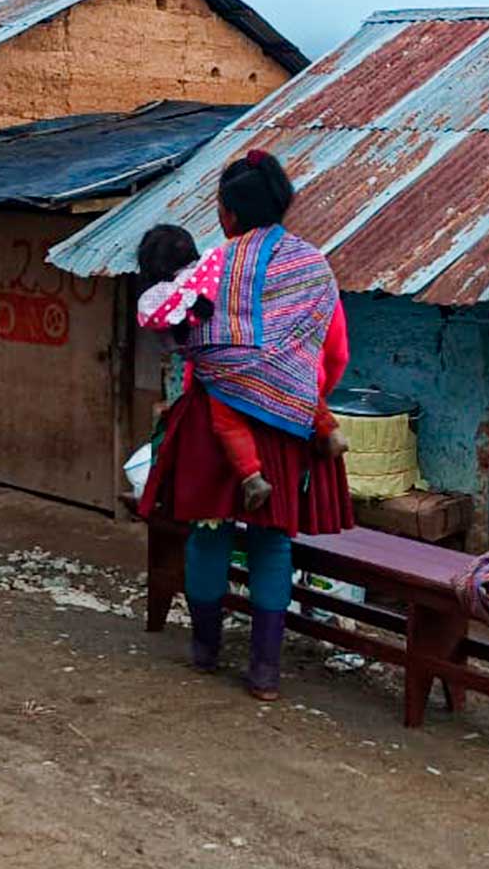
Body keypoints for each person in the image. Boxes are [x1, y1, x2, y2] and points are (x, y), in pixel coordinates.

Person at [135, 151, 354, 701]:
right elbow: (333, 355)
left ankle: (206, 651)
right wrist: (292, 394)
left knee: (209, 535)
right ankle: (264, 673)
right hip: (286, 425)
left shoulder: (211, 266)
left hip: (215, 423)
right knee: (272, 543)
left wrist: (235, 376)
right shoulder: (314, 268)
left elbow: (185, 335)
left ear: (228, 213)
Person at [135, 223, 347, 515]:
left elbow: (172, 344)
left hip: (217, 394)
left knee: (211, 520)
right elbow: (337, 356)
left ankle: (252, 477)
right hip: (288, 415)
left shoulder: (164, 298)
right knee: (298, 383)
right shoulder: (220, 272)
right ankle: (329, 430)